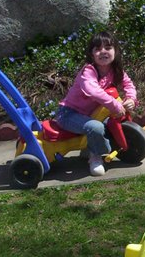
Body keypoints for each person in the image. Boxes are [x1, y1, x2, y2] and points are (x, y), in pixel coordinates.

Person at [55, 31, 138, 176]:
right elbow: (93, 90)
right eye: (98, 49)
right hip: (69, 114)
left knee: (106, 123)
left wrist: (131, 98)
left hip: (90, 114)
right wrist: (114, 105)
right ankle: (96, 157)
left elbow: (128, 84)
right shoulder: (88, 71)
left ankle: (88, 148)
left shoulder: (115, 70)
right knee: (96, 127)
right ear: (91, 53)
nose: (103, 52)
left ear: (116, 51)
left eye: (108, 47)